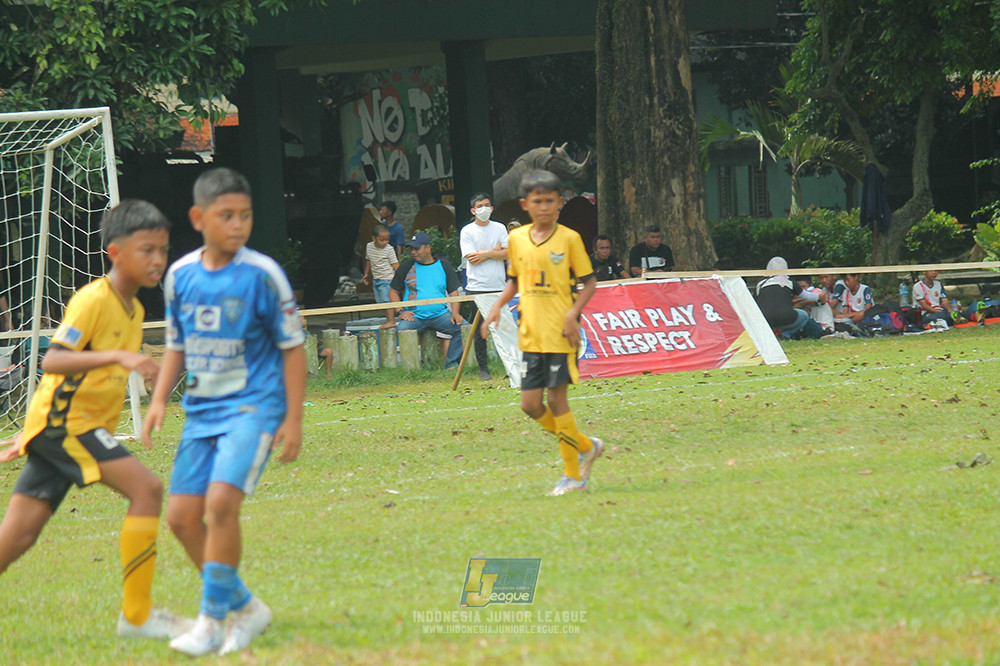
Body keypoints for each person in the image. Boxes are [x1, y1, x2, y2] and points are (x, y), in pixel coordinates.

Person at [0, 200, 188, 640]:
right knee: (148, 489)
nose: (158, 260)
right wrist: (122, 356)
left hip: (65, 429)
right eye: (147, 250)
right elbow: (54, 361)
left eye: (162, 250)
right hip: (68, 426)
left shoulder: (136, 310)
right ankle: (137, 615)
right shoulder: (93, 300)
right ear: (115, 251)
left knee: (19, 536)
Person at [142, 168, 307, 656]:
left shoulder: (263, 275)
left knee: (219, 506)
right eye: (226, 216)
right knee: (181, 518)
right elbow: (177, 343)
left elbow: (293, 348)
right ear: (198, 218)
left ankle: (211, 621)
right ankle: (247, 607)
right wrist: (157, 400)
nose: (238, 225)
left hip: (253, 408)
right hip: (202, 411)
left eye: (246, 216)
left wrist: (293, 419)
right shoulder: (180, 276)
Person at [483, 170, 605, 497]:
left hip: (560, 335)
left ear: (560, 203)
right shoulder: (517, 239)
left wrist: (572, 313)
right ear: (525, 204)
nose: (544, 207)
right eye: (537, 201)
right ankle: (585, 445)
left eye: (550, 201)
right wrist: (497, 307)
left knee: (556, 399)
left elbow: (589, 282)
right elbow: (514, 280)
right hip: (530, 334)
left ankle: (572, 476)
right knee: (530, 405)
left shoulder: (569, 239)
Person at [459, 192, 520, 385]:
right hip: (477, 287)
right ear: (473, 210)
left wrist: (485, 253)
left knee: (505, 327)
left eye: (487, 205)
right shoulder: (467, 231)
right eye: (479, 206)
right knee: (480, 331)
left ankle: (512, 367)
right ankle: (483, 368)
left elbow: (509, 253)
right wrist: (495, 251)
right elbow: (471, 258)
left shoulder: (500, 227)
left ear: (492, 208)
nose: (484, 209)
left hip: (499, 286)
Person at [382, 232, 464, 368]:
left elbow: (453, 292)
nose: (413, 252)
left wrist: (455, 313)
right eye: (411, 249)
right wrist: (400, 311)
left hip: (440, 314)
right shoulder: (406, 266)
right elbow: (393, 291)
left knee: (464, 328)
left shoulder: (443, 266)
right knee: (402, 330)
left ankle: (451, 364)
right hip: (414, 317)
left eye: (417, 248)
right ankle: (411, 369)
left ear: (428, 248)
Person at [754, 257, 824, 340]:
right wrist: (819, 297)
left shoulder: (760, 283)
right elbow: (805, 295)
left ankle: (766, 338)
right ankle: (785, 335)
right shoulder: (789, 282)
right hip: (787, 318)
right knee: (804, 315)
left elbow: (754, 302)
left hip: (765, 320)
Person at [361, 223, 400, 323]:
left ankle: (391, 321)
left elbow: (395, 265)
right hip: (376, 279)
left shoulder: (389, 249)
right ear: (374, 238)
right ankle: (389, 319)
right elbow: (368, 260)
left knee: (386, 301)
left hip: (387, 279)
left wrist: (400, 278)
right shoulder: (369, 246)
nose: (385, 242)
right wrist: (366, 274)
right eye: (382, 240)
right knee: (381, 302)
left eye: (387, 239)